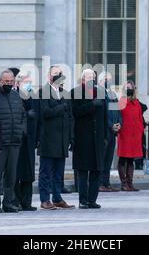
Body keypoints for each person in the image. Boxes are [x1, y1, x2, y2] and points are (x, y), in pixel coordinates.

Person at [37, 66, 75, 210]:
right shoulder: (43, 92)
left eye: (60, 74)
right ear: (49, 77)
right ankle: (45, 199)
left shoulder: (64, 93)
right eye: (55, 74)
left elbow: (71, 117)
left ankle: (57, 197)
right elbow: (45, 113)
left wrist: (71, 137)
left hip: (62, 139)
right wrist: (61, 108)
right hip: (48, 138)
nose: (58, 76)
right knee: (46, 171)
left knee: (59, 172)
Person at [0, 70, 26, 213]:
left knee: (11, 175)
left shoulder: (16, 95)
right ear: (0, 81)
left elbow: (22, 115)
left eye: (11, 81)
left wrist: (22, 130)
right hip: (0, 142)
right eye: (6, 81)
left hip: (15, 141)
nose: (9, 84)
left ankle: (9, 202)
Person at [70, 69, 107, 209]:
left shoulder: (100, 92)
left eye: (93, 77)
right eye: (89, 77)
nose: (92, 79)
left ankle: (92, 199)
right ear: (83, 79)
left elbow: (104, 115)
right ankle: (83, 200)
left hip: (97, 137)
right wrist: (91, 105)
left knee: (96, 170)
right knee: (83, 170)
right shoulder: (76, 92)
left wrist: (105, 136)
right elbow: (75, 112)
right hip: (82, 137)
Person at [14, 72, 39, 211]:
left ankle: (27, 201)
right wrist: (25, 115)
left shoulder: (33, 96)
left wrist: (37, 137)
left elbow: (38, 115)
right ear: (18, 83)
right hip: (18, 138)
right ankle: (16, 200)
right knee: (17, 171)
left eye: (30, 81)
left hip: (30, 138)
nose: (29, 84)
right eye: (26, 81)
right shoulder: (13, 96)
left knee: (28, 170)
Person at [117, 81, 145, 191]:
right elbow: (117, 116)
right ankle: (123, 183)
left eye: (130, 87)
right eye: (127, 87)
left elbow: (139, 118)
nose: (129, 89)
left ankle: (130, 183)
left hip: (135, 135)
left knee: (131, 159)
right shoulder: (121, 101)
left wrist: (140, 129)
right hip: (124, 134)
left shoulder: (136, 102)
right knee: (123, 158)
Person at [98, 71, 121, 192]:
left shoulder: (112, 94)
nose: (109, 81)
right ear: (101, 80)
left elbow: (117, 112)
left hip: (113, 132)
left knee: (109, 159)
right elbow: (102, 114)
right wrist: (111, 125)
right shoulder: (98, 94)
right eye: (107, 79)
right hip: (104, 132)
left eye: (111, 79)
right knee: (101, 158)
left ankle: (106, 183)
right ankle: (100, 183)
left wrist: (118, 124)